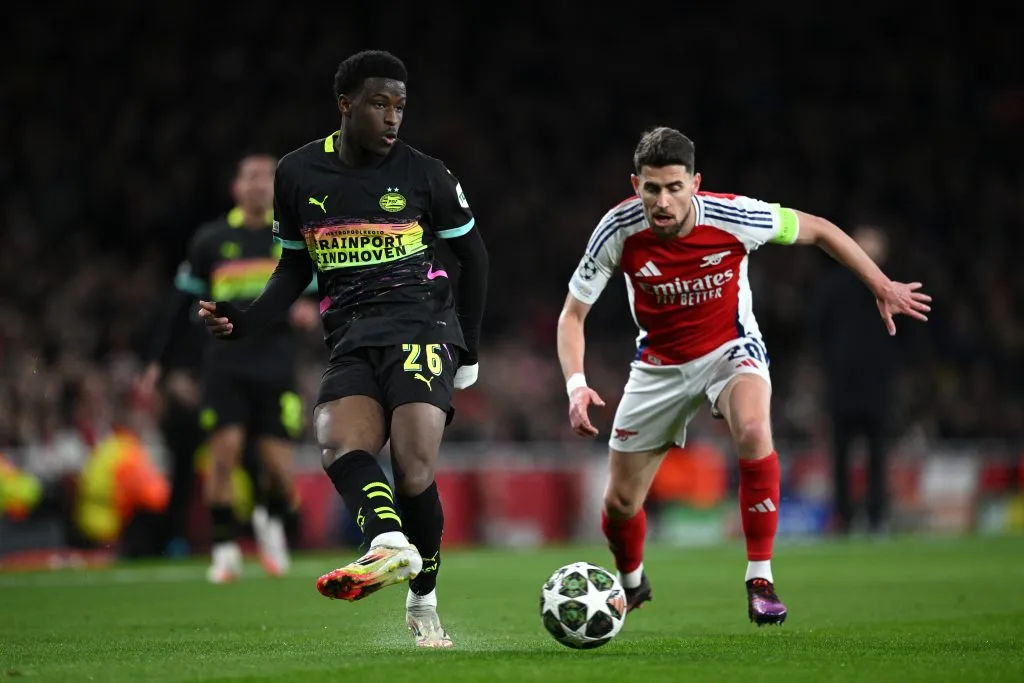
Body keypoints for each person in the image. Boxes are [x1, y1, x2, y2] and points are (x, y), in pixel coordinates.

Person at [556, 127, 930, 626]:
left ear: (695, 183)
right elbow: (572, 317)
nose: (662, 201)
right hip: (658, 366)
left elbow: (818, 228)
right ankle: (630, 578)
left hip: (729, 350)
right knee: (621, 503)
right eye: (651, 188)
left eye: (674, 187)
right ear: (635, 184)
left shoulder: (735, 215)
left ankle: (760, 578)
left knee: (754, 430)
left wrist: (880, 284)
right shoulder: (617, 230)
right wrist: (576, 385)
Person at [197, 50, 488, 648]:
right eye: (380, 104)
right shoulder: (298, 172)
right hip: (351, 334)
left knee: (412, 466)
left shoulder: (425, 173)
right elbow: (293, 268)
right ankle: (386, 543)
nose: (392, 118)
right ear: (346, 104)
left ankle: (423, 595)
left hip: (423, 327)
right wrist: (245, 322)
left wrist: (472, 351)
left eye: (400, 106)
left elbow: (474, 259)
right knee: (336, 439)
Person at [141, 154, 320, 583]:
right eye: (252, 177)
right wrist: (158, 361)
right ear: (236, 188)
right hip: (225, 364)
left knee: (279, 468)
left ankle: (269, 518)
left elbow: (319, 296)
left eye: (268, 178)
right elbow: (181, 305)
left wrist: (309, 311)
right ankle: (223, 549)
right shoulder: (210, 241)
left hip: (276, 367)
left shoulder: (295, 240)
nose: (260, 185)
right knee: (224, 456)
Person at [814, 225, 899, 535]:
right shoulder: (834, 287)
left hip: (878, 385)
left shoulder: (890, 287)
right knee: (841, 456)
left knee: (878, 455)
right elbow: (818, 332)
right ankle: (844, 518)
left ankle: (877, 518)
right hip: (843, 386)